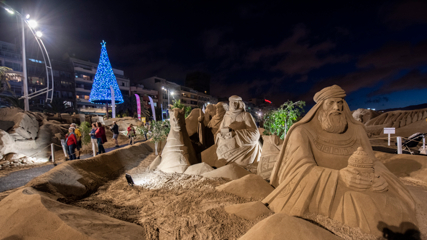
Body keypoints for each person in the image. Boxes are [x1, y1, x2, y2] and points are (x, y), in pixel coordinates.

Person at [263, 85, 417, 237]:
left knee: (395, 205)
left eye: (340, 102)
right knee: (359, 205)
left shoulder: (357, 130)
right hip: (334, 190)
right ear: (320, 107)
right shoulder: (302, 132)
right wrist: (341, 177)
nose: (337, 107)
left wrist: (379, 177)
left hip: (366, 183)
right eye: (331, 102)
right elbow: (300, 169)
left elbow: (373, 161)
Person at [215, 95, 261, 166]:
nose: (233, 104)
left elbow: (255, 133)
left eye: (235, 102)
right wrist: (220, 134)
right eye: (231, 102)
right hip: (225, 146)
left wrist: (236, 133)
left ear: (240, 103)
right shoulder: (226, 116)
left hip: (241, 147)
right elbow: (219, 131)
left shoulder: (245, 115)